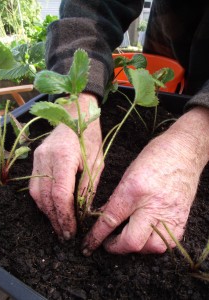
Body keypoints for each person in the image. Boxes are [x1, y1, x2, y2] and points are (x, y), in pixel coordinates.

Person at [29, 0, 209, 256]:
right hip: (174, 26)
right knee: (158, 90)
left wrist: (194, 141)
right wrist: (77, 98)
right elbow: (92, 6)